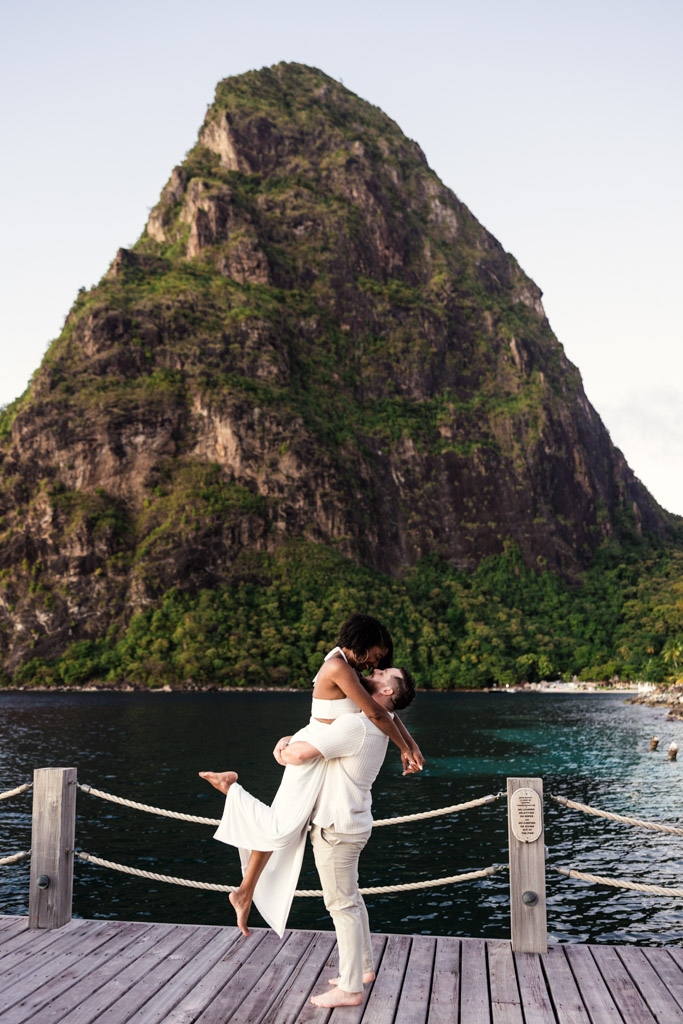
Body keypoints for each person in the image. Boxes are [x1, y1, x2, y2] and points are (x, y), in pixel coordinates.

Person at [204, 664, 418, 1009]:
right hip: (353, 824)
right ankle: (362, 969)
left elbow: (297, 755)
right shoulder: (380, 725)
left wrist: (282, 745)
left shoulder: (357, 725)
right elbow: (382, 722)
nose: (375, 670)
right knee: (352, 898)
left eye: (382, 673)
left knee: (342, 905)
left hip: (337, 829)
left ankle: (350, 988)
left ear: (389, 692)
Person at [199, 614, 423, 936]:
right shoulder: (338, 667)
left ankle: (245, 891)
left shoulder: (351, 667)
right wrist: (404, 747)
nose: (378, 660)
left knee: (284, 826)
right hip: (313, 751)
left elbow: (385, 710)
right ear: (362, 643)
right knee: (281, 826)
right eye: (378, 653)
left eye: (382, 660)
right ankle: (230, 789)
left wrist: (411, 743)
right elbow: (375, 712)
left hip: (324, 753)